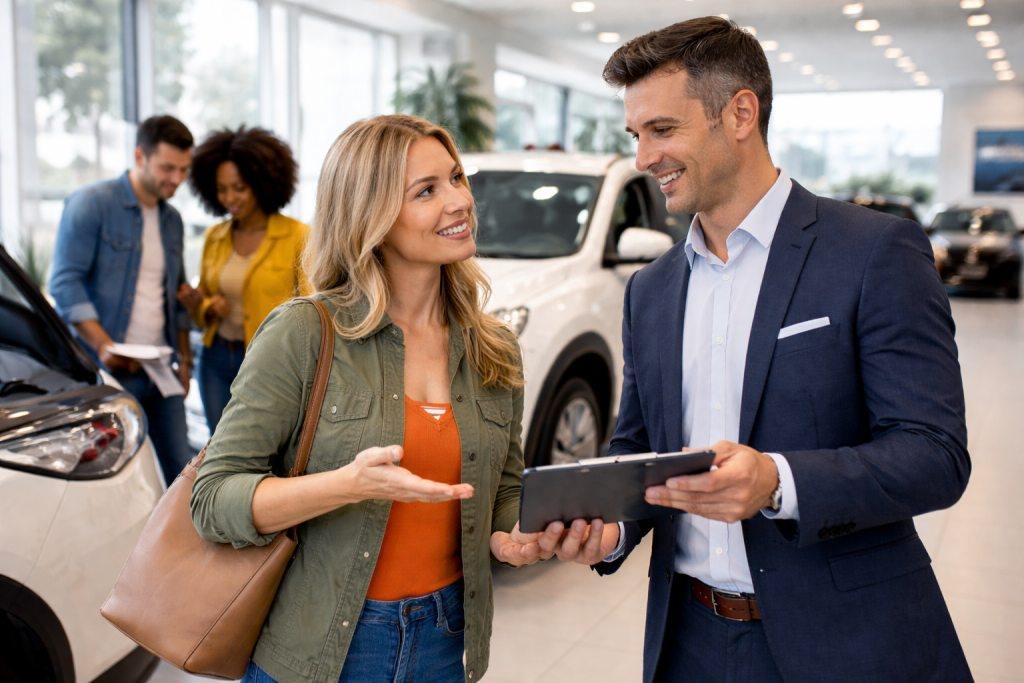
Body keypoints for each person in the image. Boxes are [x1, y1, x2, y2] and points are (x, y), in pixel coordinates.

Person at [547, 17, 972, 683]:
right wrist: (609, 527)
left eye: (662, 129)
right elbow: (637, 448)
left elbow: (935, 454)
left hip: (846, 643)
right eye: (636, 136)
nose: (643, 158)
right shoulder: (652, 290)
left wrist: (777, 481)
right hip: (686, 642)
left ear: (740, 113)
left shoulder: (873, 252)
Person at [190, 115, 561, 683]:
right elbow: (213, 500)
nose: (459, 200)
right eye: (427, 191)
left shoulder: (493, 346)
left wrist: (513, 537)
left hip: (444, 641)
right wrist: (349, 485)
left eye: (457, 178)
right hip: (321, 645)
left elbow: (503, 487)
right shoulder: (304, 333)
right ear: (373, 216)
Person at [50, 115, 195, 485]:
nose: (176, 179)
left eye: (183, 170)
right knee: (119, 482)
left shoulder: (172, 220)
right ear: (139, 156)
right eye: (167, 168)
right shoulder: (91, 204)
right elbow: (66, 284)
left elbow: (175, 296)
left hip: (161, 370)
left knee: (182, 472)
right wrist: (103, 345)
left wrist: (185, 361)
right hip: (107, 371)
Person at [177, 126, 310, 434]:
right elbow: (204, 311)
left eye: (239, 188)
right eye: (222, 189)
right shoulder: (215, 236)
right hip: (216, 360)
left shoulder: (298, 236)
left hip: (270, 363)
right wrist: (205, 306)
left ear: (262, 183)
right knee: (217, 447)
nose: (229, 198)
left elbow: (315, 310)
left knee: (263, 450)